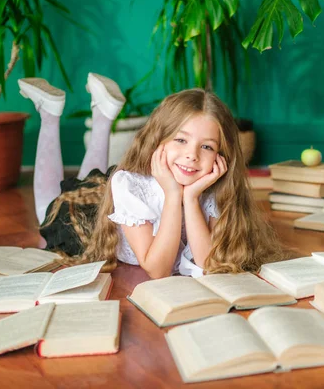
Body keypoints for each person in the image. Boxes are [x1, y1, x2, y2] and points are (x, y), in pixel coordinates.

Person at [19, 74, 287, 279]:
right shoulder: (130, 187)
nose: (192, 155)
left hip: (118, 191)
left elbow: (208, 264)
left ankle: (103, 116)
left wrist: (191, 199)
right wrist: (173, 195)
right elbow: (158, 269)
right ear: (158, 141)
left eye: (206, 146)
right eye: (180, 140)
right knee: (50, 204)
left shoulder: (211, 189)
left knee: (92, 178)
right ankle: (50, 115)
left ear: (221, 156)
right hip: (82, 220)